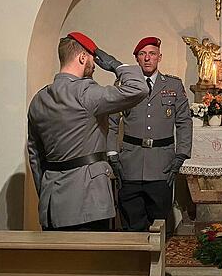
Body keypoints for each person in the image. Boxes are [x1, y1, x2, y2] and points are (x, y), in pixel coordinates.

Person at [27, 32, 148, 231]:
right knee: (92, 261)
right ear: (83, 57)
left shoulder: (39, 99)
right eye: (92, 58)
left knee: (58, 261)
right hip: (89, 201)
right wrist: (116, 65)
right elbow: (138, 89)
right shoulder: (86, 93)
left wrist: (47, 193)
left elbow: (36, 157)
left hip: (53, 203)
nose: (94, 64)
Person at [107, 37, 192, 232]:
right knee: (131, 224)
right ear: (136, 58)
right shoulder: (124, 84)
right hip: (130, 163)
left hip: (162, 164)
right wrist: (112, 155)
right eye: (142, 54)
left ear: (159, 57)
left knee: (159, 224)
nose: (147, 58)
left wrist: (181, 155)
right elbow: (111, 122)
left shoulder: (173, 85)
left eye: (152, 54)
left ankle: (156, 263)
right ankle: (132, 262)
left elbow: (184, 122)